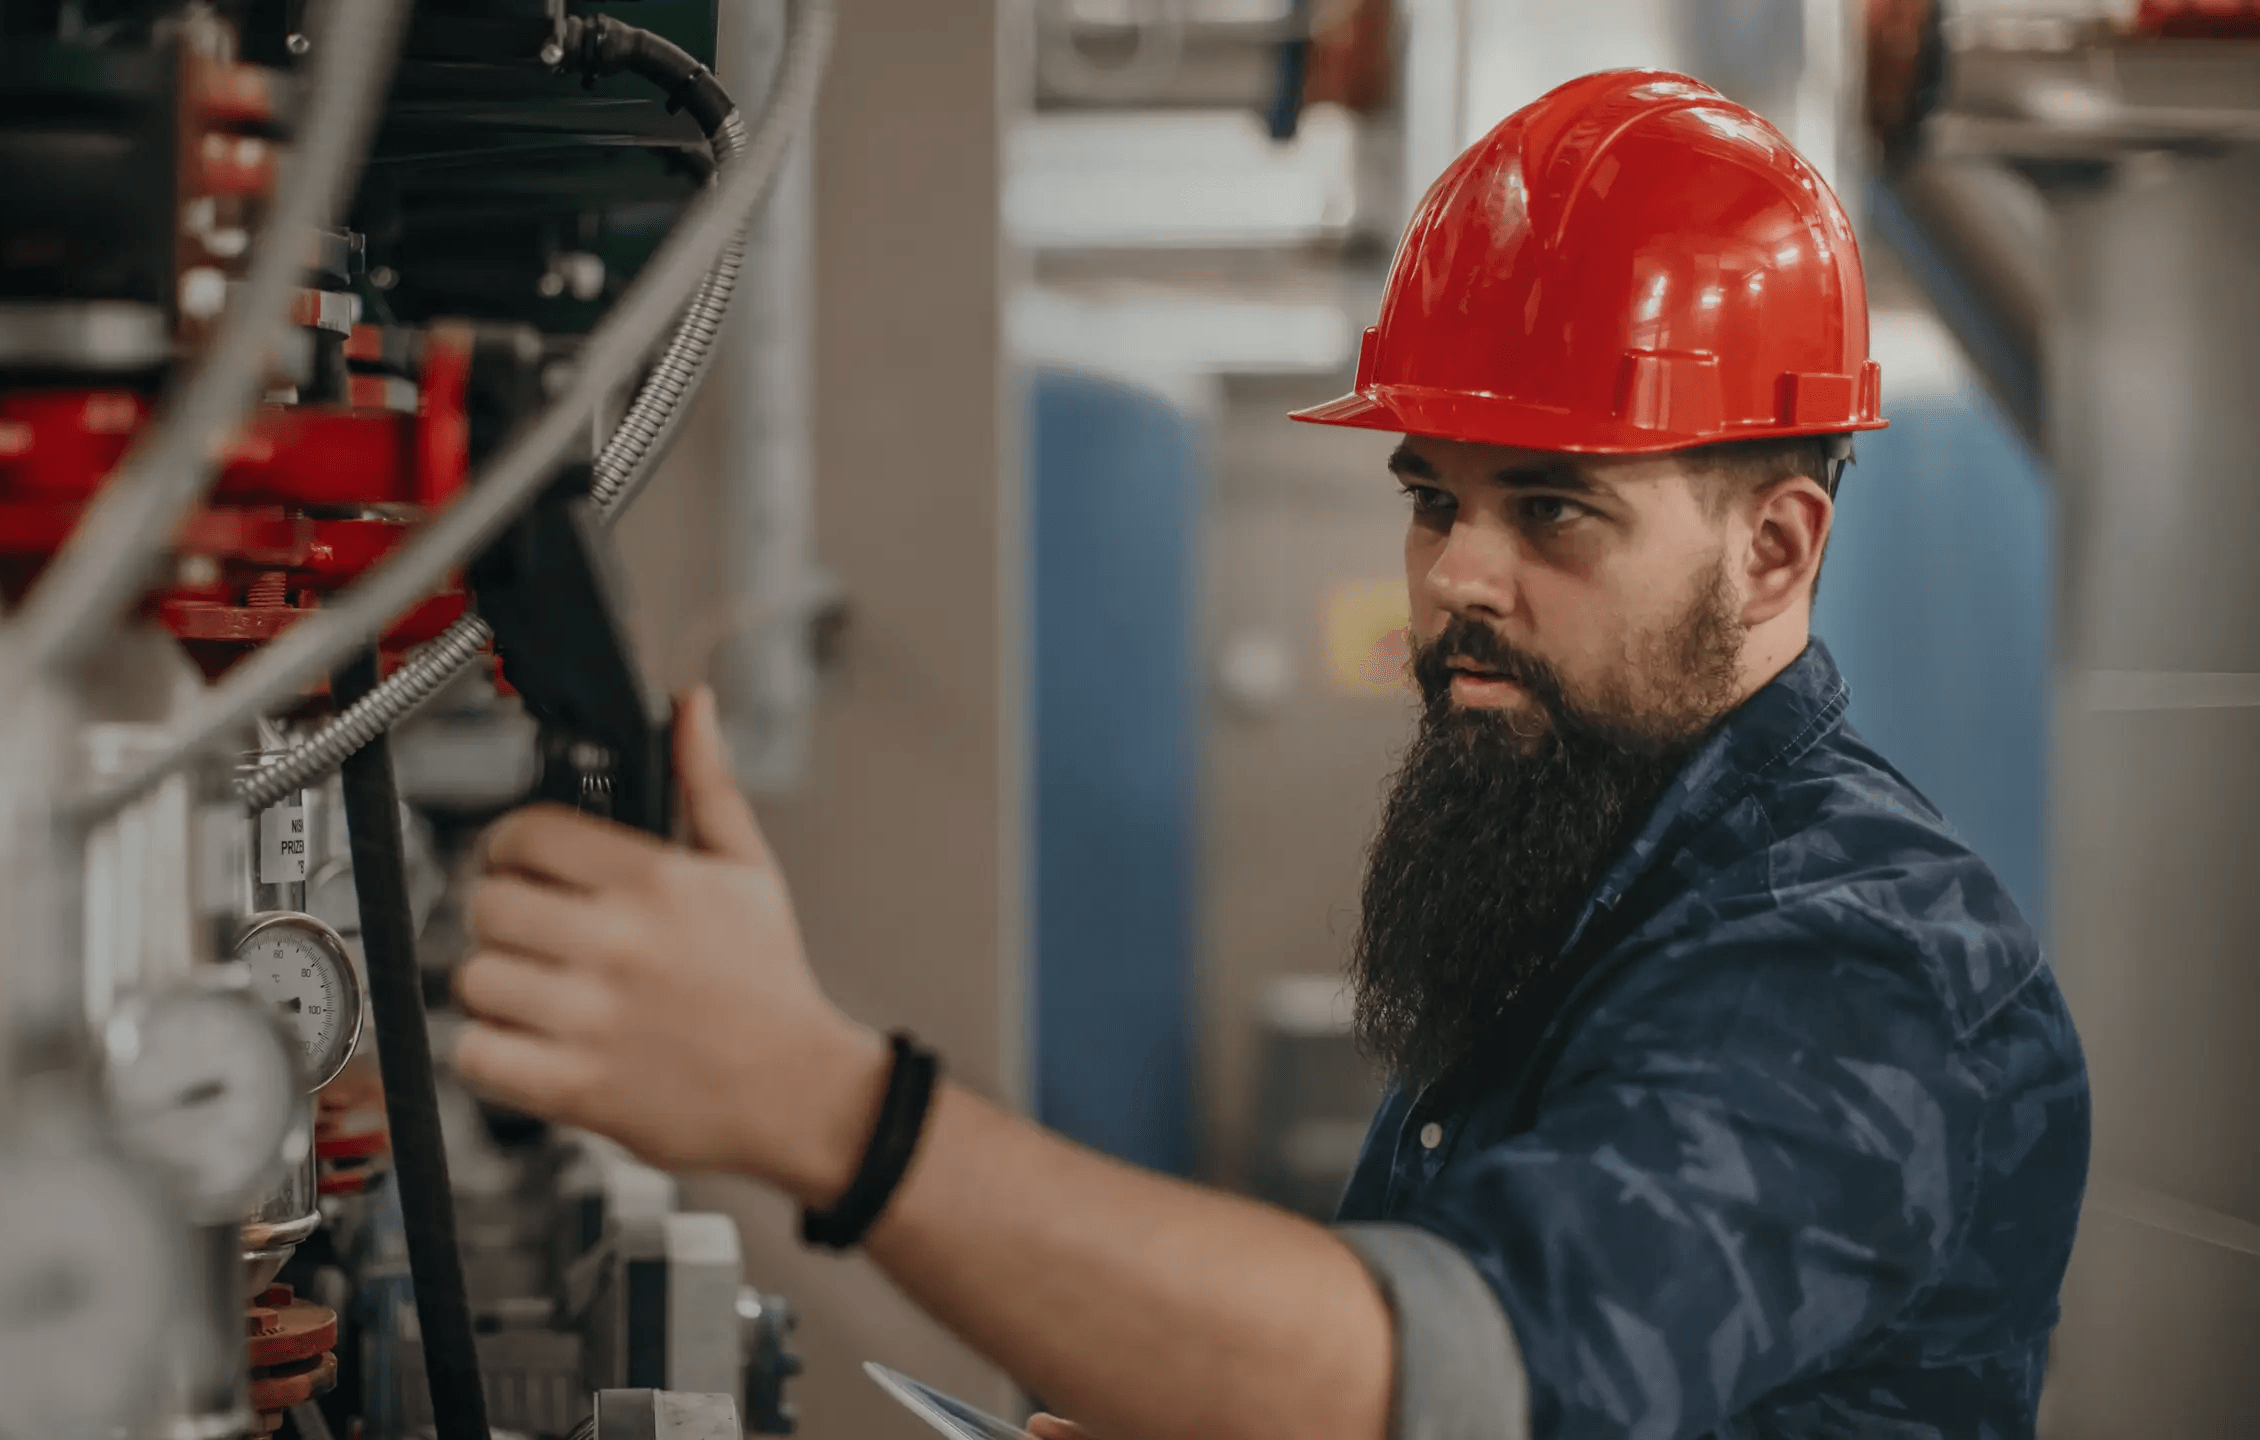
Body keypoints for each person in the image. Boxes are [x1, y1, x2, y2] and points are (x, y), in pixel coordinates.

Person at [446, 70, 2090, 1440]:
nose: (1457, 574)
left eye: (1556, 507)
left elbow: (1490, 1376)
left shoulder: (1863, 956)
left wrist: (826, 1107)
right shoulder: (1582, 866)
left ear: (1776, 552)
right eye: (1436, 498)